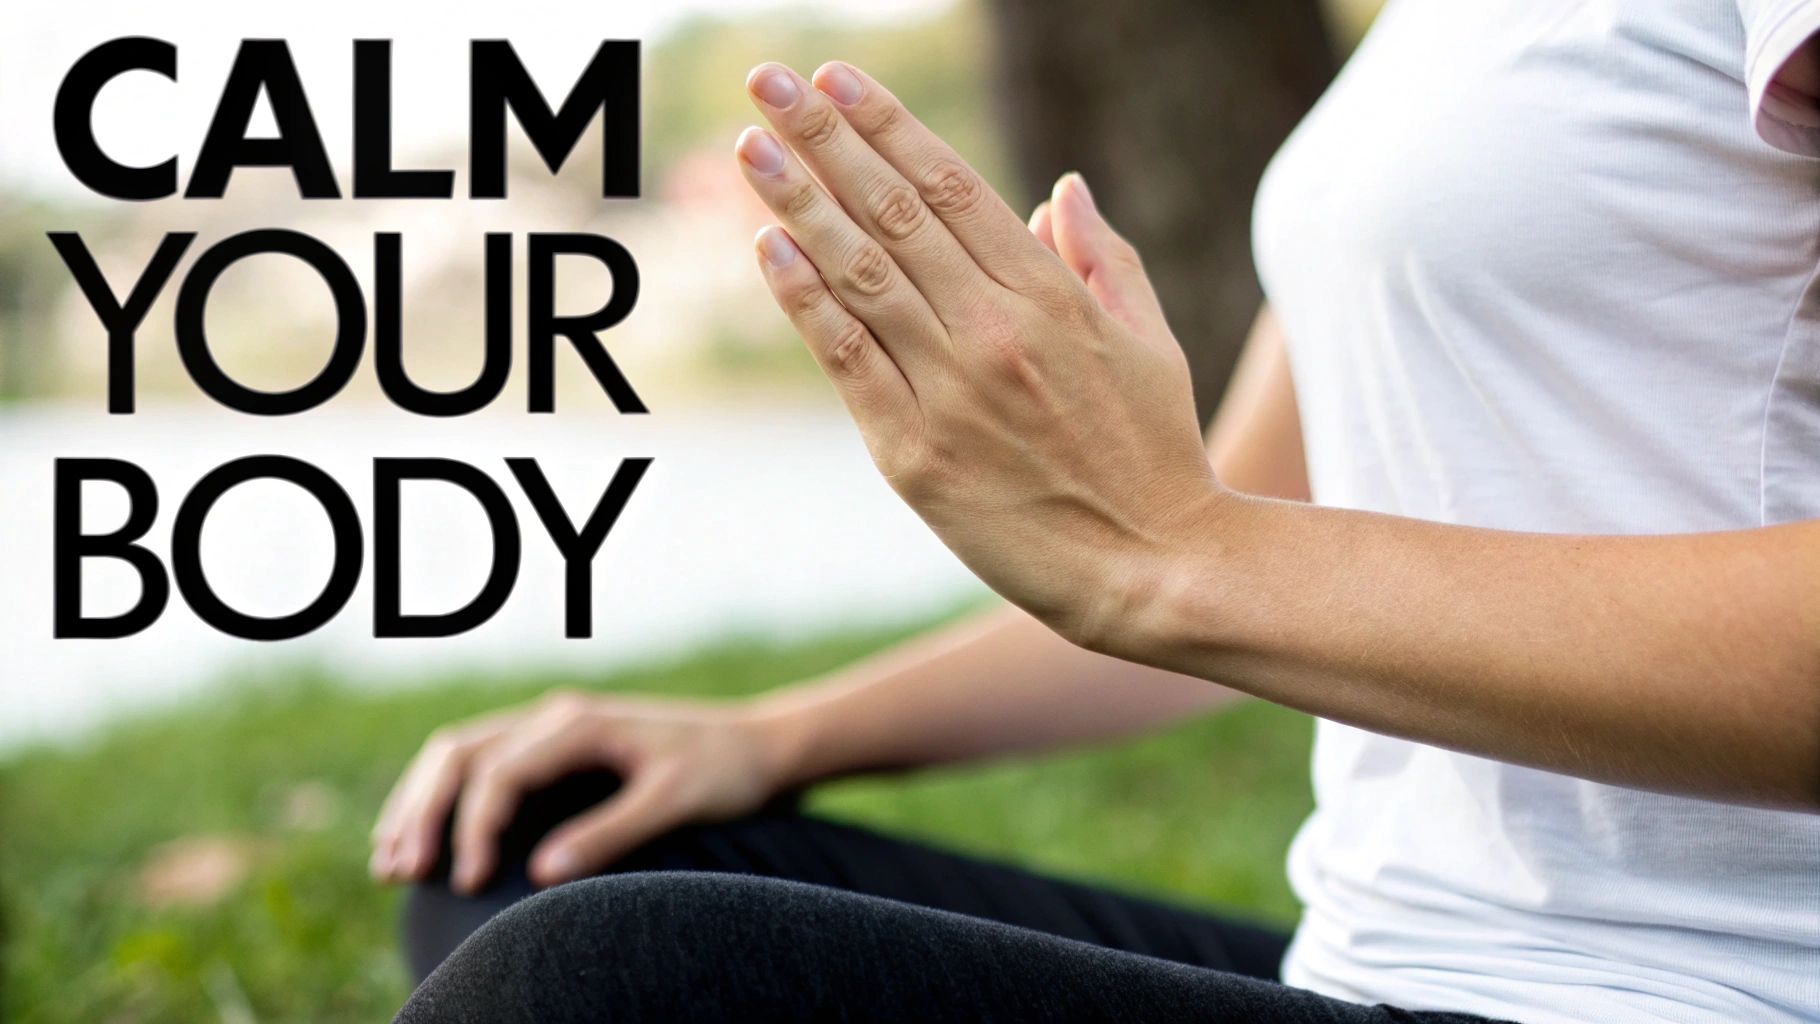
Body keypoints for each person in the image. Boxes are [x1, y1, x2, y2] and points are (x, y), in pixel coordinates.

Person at [378, 2, 1820, 1020]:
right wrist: (768, 738)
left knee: (588, 992)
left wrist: (1167, 552)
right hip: (1378, 962)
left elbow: (1202, 553)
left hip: (1705, 993)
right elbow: (1244, 523)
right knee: (545, 848)